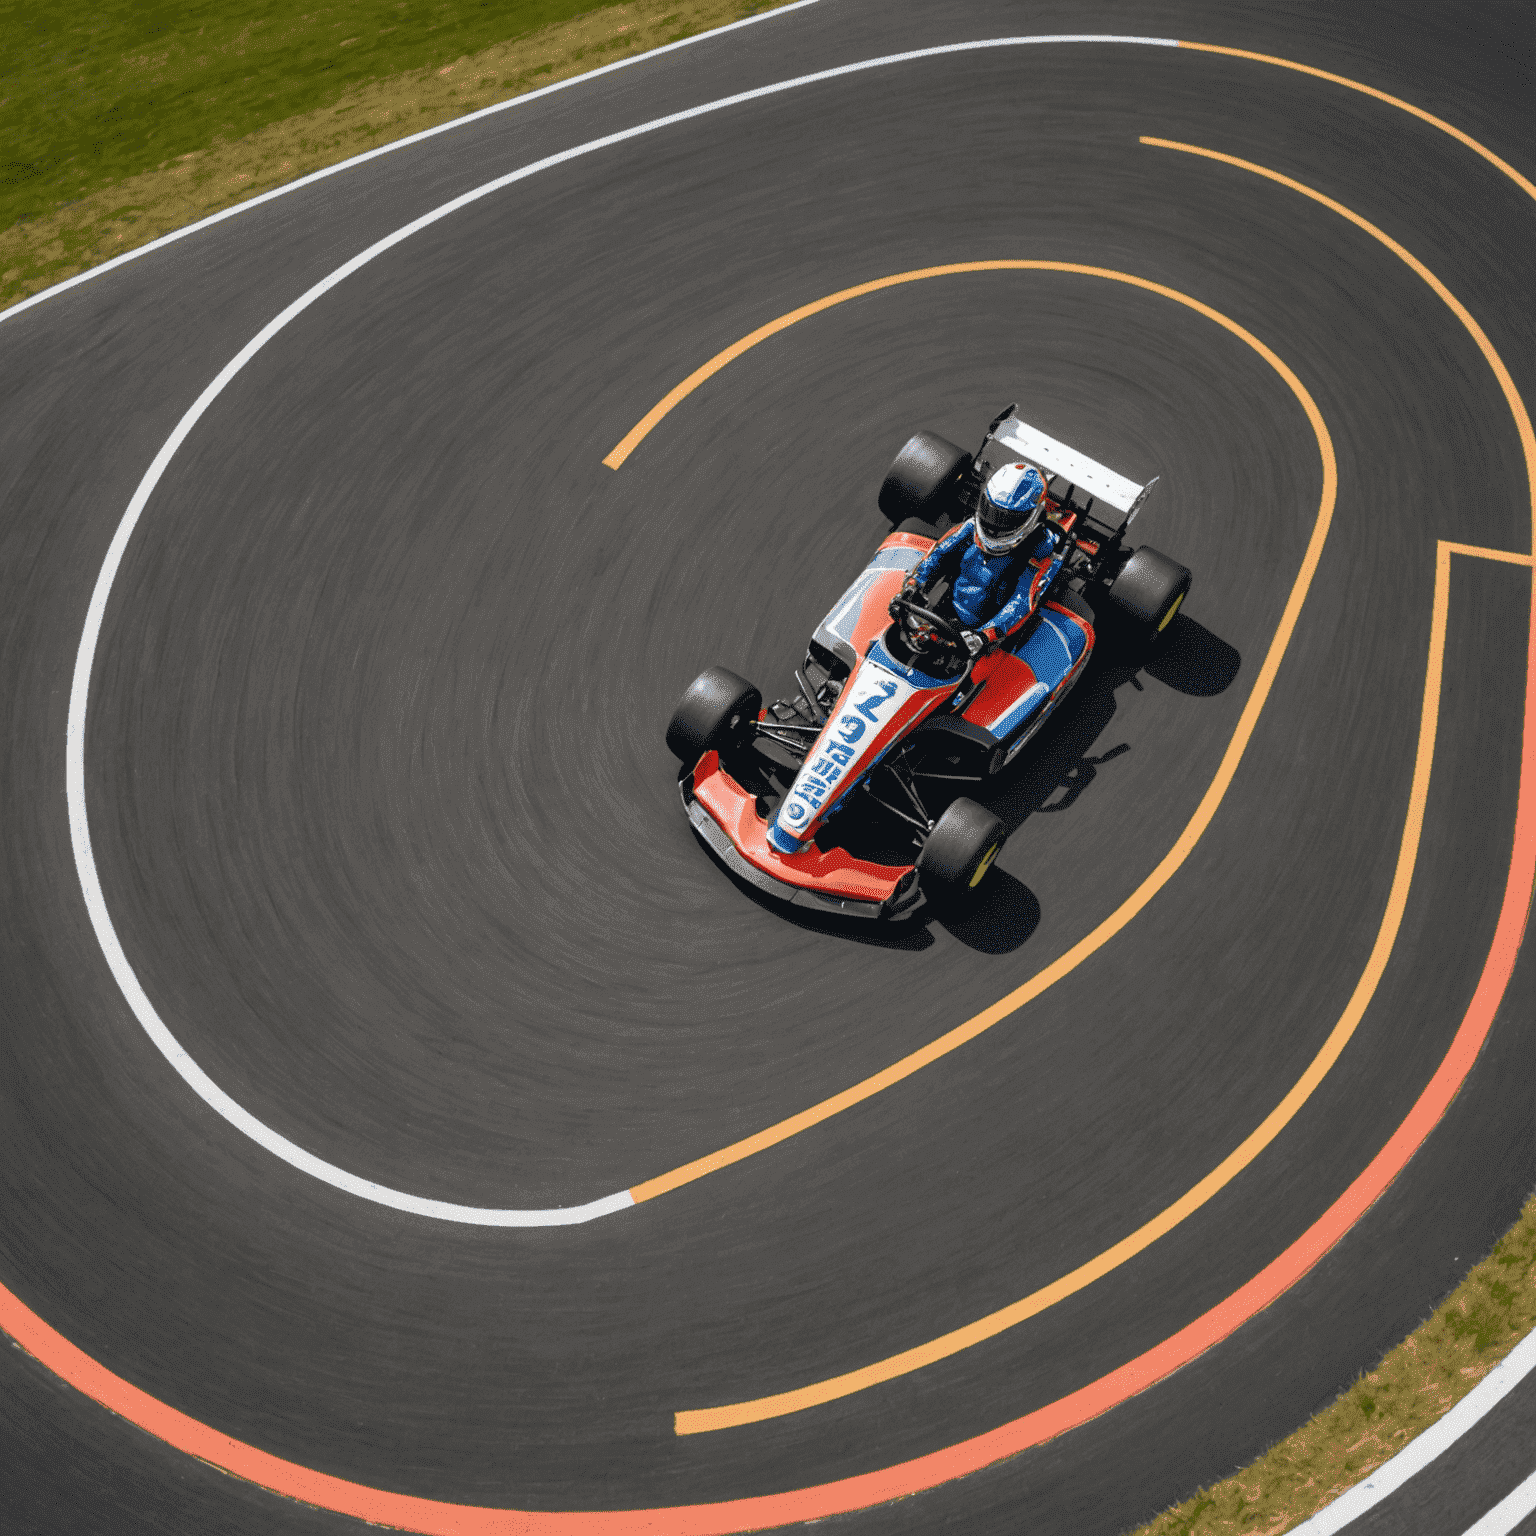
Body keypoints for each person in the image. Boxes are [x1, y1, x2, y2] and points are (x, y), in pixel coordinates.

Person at [902, 462, 1063, 656]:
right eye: (991, 512)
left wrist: (985, 636)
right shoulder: (971, 527)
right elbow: (939, 553)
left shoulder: (1039, 554)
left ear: (1031, 516)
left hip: (989, 635)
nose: (994, 524)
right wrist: (914, 583)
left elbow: (1022, 600)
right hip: (951, 609)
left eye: (1006, 519)